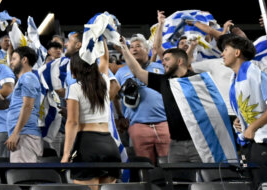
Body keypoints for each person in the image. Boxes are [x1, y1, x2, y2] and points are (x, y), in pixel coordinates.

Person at [222, 34, 267, 185]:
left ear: (237, 52)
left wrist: (252, 126)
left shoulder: (254, 72)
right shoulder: (235, 79)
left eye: (226, 49)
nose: (222, 54)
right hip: (250, 144)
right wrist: (240, 123)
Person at [118, 40, 201, 163]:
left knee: (204, 178)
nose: (163, 63)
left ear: (179, 61)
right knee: (176, 179)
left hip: (198, 141)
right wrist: (124, 48)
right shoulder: (163, 81)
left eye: (167, 59)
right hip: (175, 143)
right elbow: (137, 71)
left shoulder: (198, 80)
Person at [62, 53, 120, 187]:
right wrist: (101, 36)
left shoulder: (75, 88)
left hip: (87, 146)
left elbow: (72, 122)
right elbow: (105, 59)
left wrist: (66, 153)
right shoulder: (104, 82)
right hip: (109, 145)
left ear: (75, 68)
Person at [114, 34, 169, 164]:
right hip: (137, 124)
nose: (134, 49)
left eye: (138, 46)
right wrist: (120, 116)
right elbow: (115, 97)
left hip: (164, 122)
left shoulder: (160, 68)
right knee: (144, 165)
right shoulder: (121, 72)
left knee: (169, 164)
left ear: (147, 49)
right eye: (131, 47)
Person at [5, 46, 42, 163]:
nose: (11, 62)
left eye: (14, 59)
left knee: (24, 178)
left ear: (24, 60)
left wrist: (16, 133)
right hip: (21, 135)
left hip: (24, 136)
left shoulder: (28, 77)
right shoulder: (23, 80)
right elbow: (3, 105)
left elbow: (27, 106)